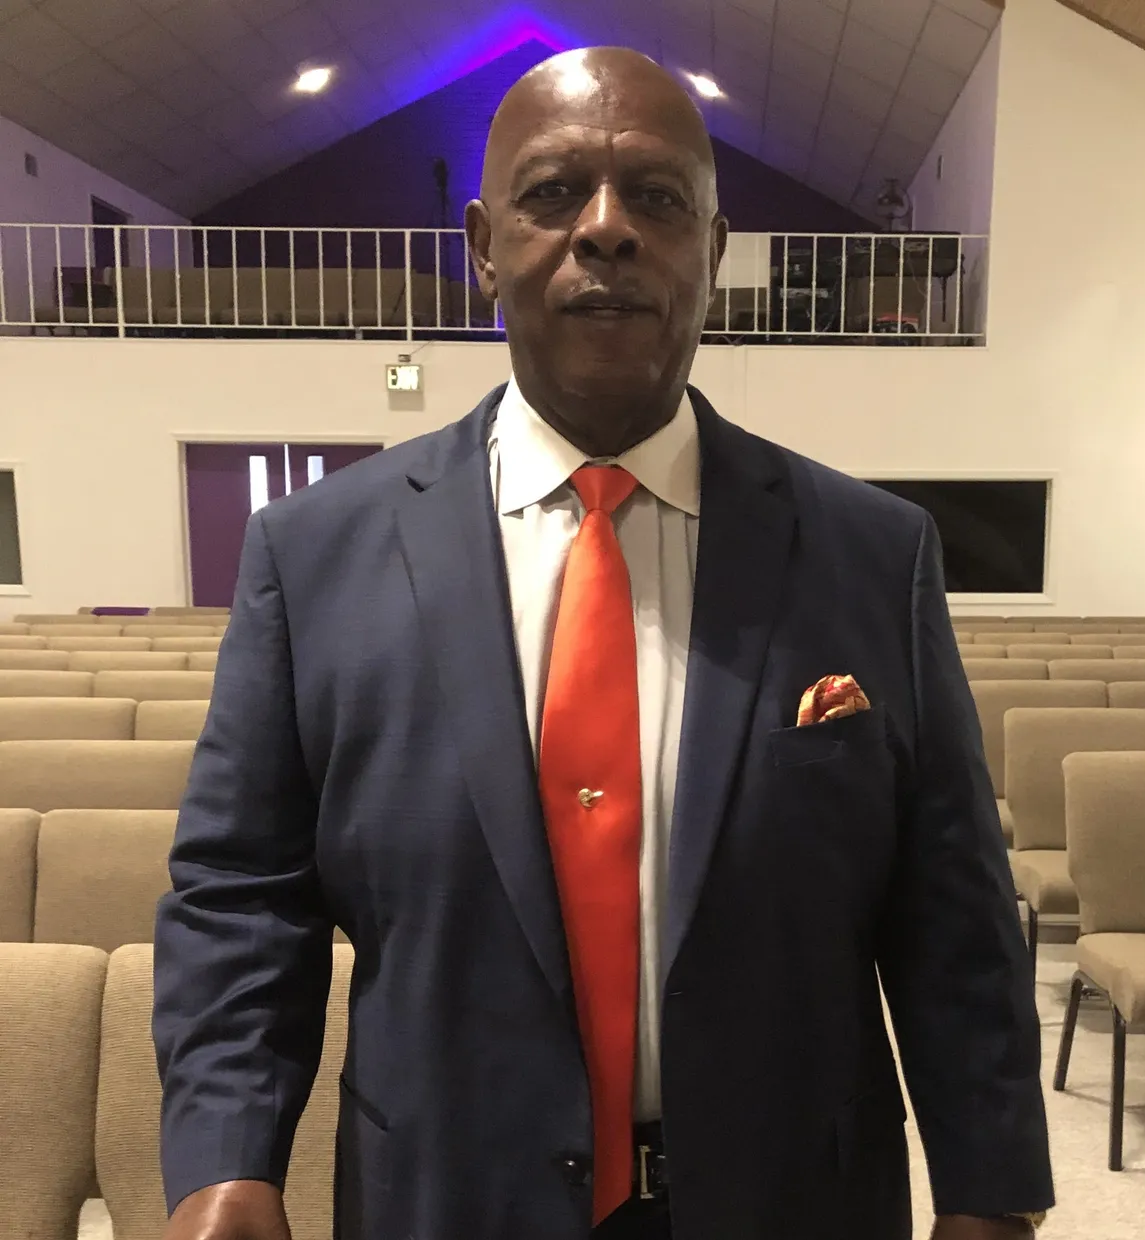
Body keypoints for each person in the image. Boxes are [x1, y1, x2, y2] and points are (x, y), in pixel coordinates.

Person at [153, 47, 1053, 1240]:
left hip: (794, 1199)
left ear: (713, 251)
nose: (607, 228)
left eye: (658, 198)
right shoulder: (312, 556)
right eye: (553, 192)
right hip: (447, 1199)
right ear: (483, 247)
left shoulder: (874, 556)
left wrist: (991, 1190)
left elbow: (952, 912)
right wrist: (225, 1157)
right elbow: (240, 897)